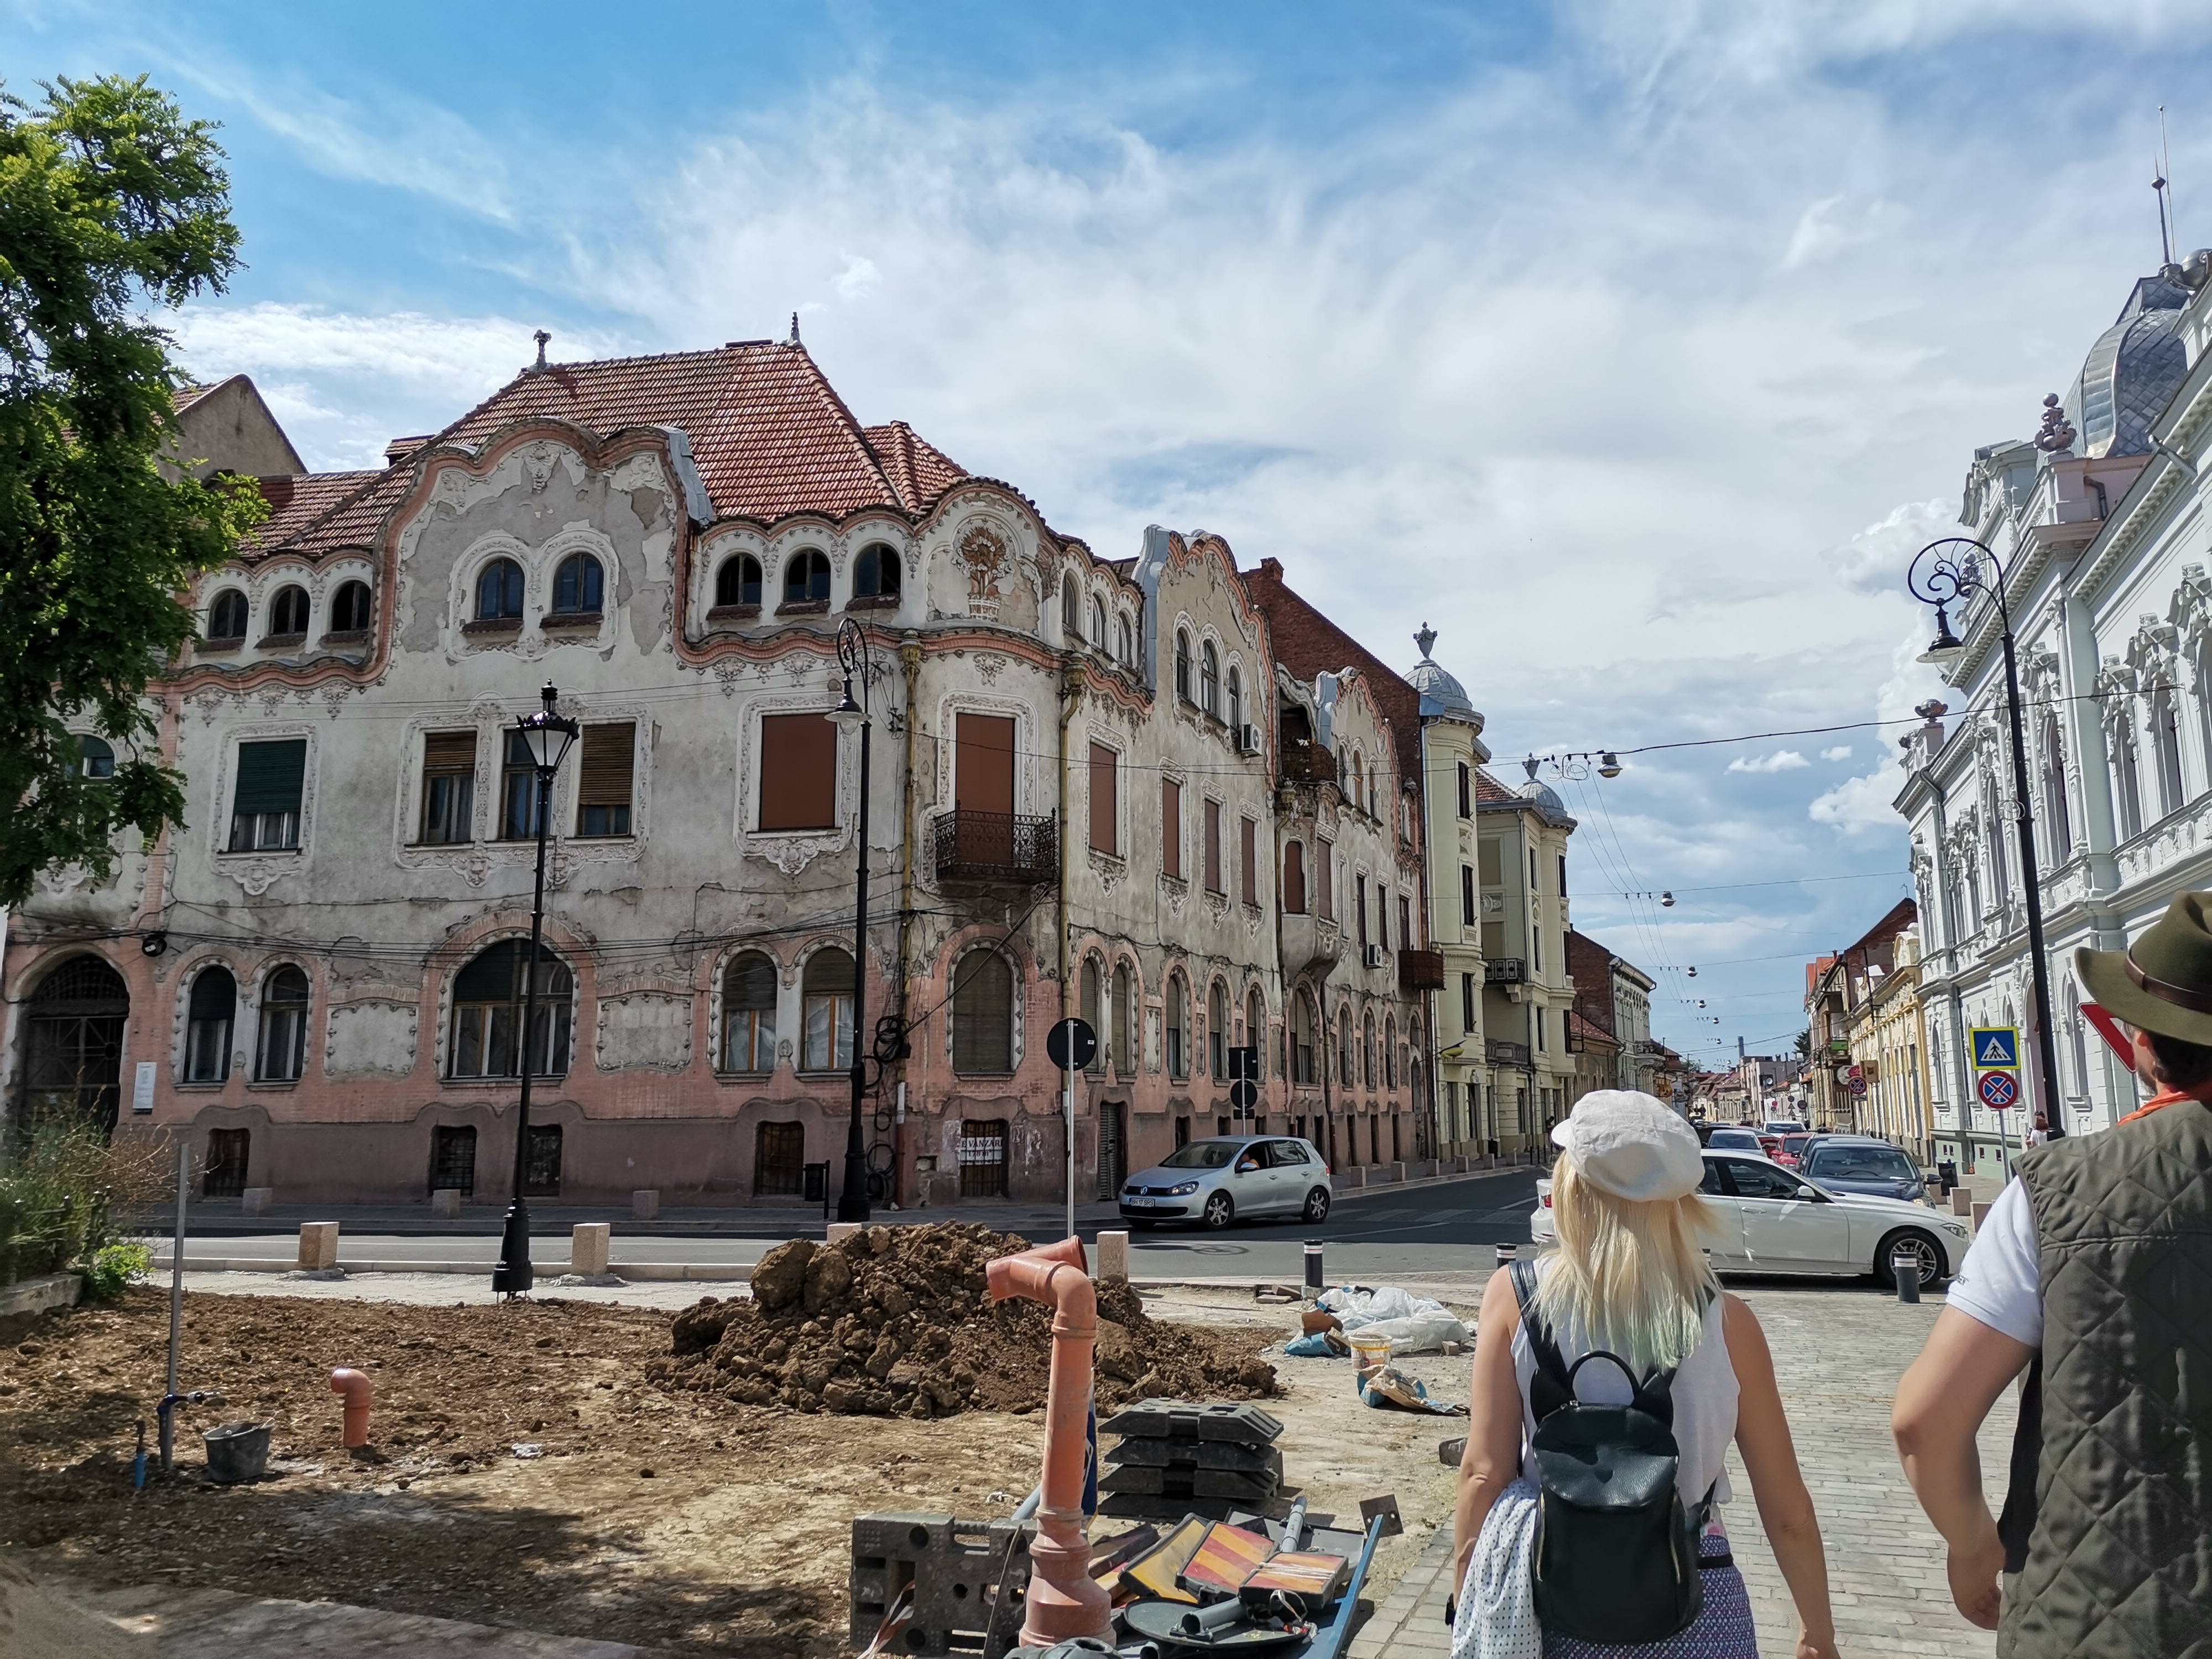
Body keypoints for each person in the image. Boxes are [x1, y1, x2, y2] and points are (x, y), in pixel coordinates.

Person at [1892, 889, 2212, 1651]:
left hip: (2109, 1618)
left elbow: (1924, 1421)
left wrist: (1973, 1545)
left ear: (2139, 1037)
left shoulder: (2062, 1187)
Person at [1452, 1090, 1837, 1658]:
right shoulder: (1730, 1323)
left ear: (1572, 1187)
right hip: (1694, 1593)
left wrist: (1465, 1600)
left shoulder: (1515, 1299)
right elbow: (1788, 1511)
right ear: (1680, 1201)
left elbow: (1483, 1473)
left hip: (1552, 1592)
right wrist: (1817, 1632)